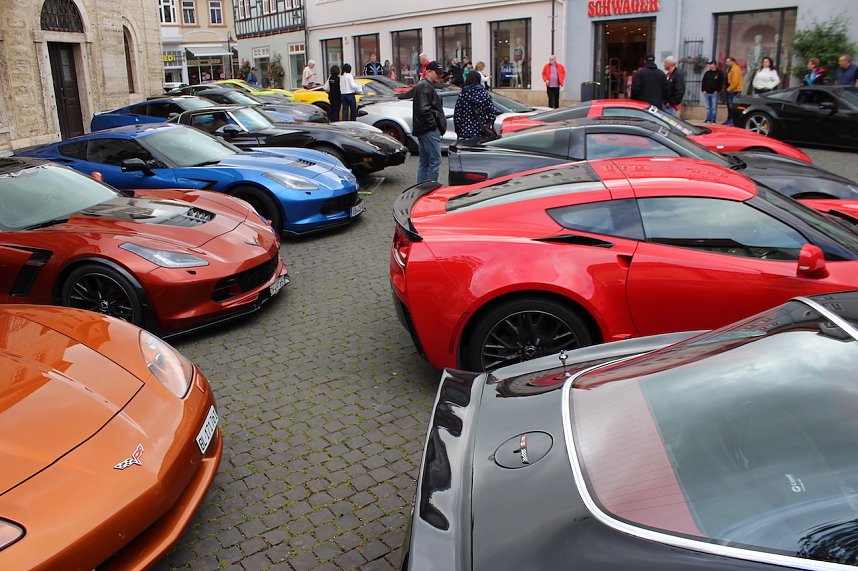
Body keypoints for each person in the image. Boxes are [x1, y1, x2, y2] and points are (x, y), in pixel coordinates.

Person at [412, 61, 446, 183]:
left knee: (425, 162)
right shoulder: (425, 86)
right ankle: (429, 191)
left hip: (424, 129)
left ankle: (422, 190)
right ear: (429, 72)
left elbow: (424, 109)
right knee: (434, 161)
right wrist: (433, 125)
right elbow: (424, 109)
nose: (439, 76)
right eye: (437, 73)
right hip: (428, 130)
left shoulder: (424, 85)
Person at [453, 71, 497, 146]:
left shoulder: (463, 95)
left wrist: (458, 130)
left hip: (465, 132)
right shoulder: (485, 95)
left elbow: (457, 115)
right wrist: (488, 125)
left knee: (467, 155)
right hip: (482, 132)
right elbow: (492, 113)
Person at [723, 56, 743, 125]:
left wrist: (729, 89)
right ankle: (729, 119)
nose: (726, 63)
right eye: (726, 62)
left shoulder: (736, 69)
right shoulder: (729, 68)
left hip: (733, 91)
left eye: (728, 62)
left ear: (733, 61)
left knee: (732, 107)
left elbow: (735, 81)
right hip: (729, 90)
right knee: (729, 106)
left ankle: (732, 121)